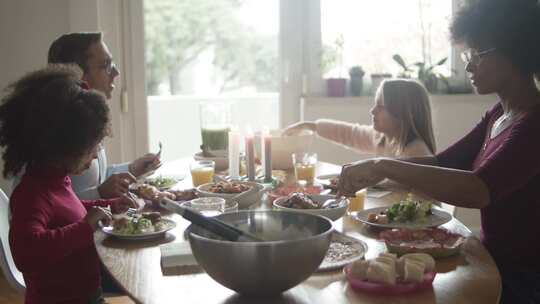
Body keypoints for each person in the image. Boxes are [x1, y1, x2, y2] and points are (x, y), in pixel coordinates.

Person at [338, 0, 540, 302]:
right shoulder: (499, 114)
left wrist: (382, 166)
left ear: (515, 52)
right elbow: (444, 163)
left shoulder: (534, 124)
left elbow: (477, 189)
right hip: (491, 259)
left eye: (477, 54)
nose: (469, 65)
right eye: (466, 54)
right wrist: (373, 171)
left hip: (525, 278)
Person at [0, 65, 137, 303]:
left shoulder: (55, 179)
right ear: (64, 145)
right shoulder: (31, 192)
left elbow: (66, 212)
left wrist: (109, 205)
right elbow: (26, 253)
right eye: (91, 147)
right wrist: (85, 227)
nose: (95, 155)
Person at [46, 32, 161, 199]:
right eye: (105, 65)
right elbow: (52, 204)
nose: (116, 72)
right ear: (78, 75)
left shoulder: (84, 120)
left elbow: (93, 179)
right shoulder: (56, 130)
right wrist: (99, 194)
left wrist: (131, 169)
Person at [283, 79, 436, 159]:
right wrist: (310, 126)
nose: (373, 111)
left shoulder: (417, 153)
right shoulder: (382, 139)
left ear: (402, 114)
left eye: (380, 107)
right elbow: (349, 134)